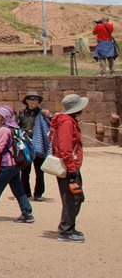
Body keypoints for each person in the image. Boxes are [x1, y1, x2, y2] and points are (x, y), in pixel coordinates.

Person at [51, 93, 87, 243]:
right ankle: (66, 230)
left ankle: (68, 226)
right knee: (72, 198)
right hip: (69, 166)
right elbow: (65, 147)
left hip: (70, 165)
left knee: (76, 197)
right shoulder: (66, 122)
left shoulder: (67, 121)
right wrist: (72, 169)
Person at [17, 91, 50, 201]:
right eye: (31, 99)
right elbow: (16, 126)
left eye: (36, 100)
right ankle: (26, 193)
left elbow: (50, 125)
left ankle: (38, 193)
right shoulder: (21, 113)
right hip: (26, 144)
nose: (34, 102)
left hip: (38, 143)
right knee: (25, 171)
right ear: (26, 101)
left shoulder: (43, 114)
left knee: (40, 171)